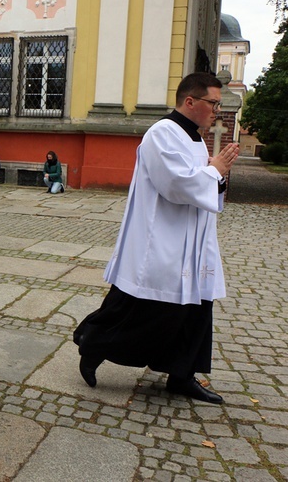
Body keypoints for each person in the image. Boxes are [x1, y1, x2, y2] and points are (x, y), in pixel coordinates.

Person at [73, 72, 240, 405]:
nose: (216, 111)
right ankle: (93, 347)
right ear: (190, 101)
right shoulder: (162, 134)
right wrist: (214, 171)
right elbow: (176, 185)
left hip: (193, 243)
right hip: (162, 241)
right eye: (213, 103)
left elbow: (201, 182)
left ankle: (181, 375)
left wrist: (216, 177)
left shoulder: (193, 138)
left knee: (195, 311)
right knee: (147, 311)